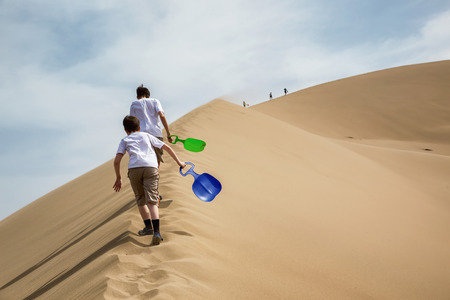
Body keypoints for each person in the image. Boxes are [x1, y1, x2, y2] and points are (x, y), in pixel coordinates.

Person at [113, 115, 185, 246]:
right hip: (151, 167)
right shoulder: (146, 135)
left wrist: (118, 178)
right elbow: (167, 148)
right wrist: (179, 162)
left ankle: (148, 228)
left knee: (140, 199)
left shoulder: (124, 140)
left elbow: (117, 161)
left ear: (125, 130)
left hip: (134, 169)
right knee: (152, 201)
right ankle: (157, 232)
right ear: (139, 127)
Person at [129, 85, 173, 168]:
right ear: (148, 96)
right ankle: (155, 180)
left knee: (143, 161)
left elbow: (131, 122)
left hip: (141, 135)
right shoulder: (155, 101)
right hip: (156, 133)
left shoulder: (134, 104)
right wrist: (168, 133)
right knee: (156, 162)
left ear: (137, 96)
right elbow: (162, 116)